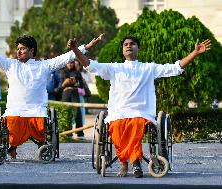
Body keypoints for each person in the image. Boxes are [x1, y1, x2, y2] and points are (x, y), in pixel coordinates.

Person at [68, 36, 211, 178]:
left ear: (138, 48)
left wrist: (194, 53)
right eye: (126, 44)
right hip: (118, 113)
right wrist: (75, 49)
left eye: (132, 44)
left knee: (135, 124)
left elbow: (175, 68)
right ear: (123, 50)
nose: (129, 46)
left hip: (141, 113)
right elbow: (89, 65)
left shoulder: (148, 68)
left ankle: (135, 162)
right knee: (116, 127)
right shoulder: (114, 68)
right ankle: (125, 163)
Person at [0, 29, 102, 159]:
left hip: (36, 110)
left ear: (32, 51)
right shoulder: (10, 65)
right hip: (15, 110)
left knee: (41, 123)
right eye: (17, 48)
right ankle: (11, 146)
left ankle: (42, 145)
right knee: (11, 122)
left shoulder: (44, 66)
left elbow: (66, 57)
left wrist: (86, 47)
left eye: (22, 49)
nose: (18, 51)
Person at [61, 60, 85, 137]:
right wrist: (67, 83)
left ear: (74, 64)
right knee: (65, 111)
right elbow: (61, 85)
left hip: (74, 93)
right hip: (65, 93)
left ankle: (79, 132)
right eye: (68, 63)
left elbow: (81, 85)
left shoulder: (77, 72)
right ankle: (67, 132)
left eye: (71, 63)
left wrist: (74, 83)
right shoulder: (63, 72)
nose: (70, 64)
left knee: (77, 112)